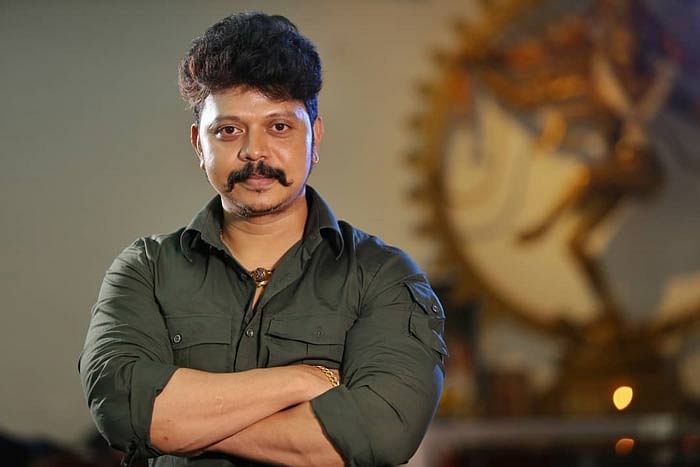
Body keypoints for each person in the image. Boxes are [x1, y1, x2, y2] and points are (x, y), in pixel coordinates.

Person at [79, 12, 447, 467]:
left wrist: (180, 427)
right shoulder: (145, 271)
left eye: (279, 127)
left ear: (315, 137)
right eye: (228, 130)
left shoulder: (382, 276)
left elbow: (379, 433)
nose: (254, 151)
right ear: (198, 144)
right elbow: (121, 410)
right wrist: (300, 381)